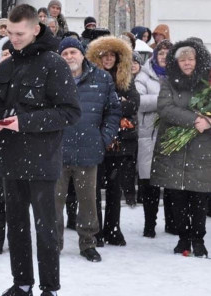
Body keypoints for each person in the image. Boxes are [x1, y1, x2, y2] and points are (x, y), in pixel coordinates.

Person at [0, 4, 81, 296]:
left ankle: (49, 287)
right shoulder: (7, 65)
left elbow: (69, 112)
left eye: (20, 33)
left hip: (42, 159)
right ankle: (22, 282)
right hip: (10, 158)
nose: (13, 39)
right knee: (17, 226)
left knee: (45, 229)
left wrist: (23, 123)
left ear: (35, 30)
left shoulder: (54, 64)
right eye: (10, 33)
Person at [56, 37, 121, 263]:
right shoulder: (53, 78)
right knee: (54, 202)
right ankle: (53, 244)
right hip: (57, 152)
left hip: (88, 150)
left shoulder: (101, 78)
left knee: (88, 202)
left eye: (73, 52)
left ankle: (88, 243)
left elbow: (113, 111)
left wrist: (103, 138)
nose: (69, 57)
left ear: (83, 54)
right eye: (64, 54)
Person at [151, 39, 211, 258]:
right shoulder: (169, 82)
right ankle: (183, 239)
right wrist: (194, 120)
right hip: (174, 150)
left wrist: (209, 122)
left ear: (198, 60)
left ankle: (199, 239)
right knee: (177, 196)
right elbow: (165, 108)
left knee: (199, 197)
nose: (187, 63)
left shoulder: (208, 81)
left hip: (202, 149)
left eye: (191, 59)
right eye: (182, 60)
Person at [87, 36, 139, 247]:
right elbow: (93, 107)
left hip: (120, 142)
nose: (108, 59)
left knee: (115, 188)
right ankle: (96, 229)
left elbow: (133, 104)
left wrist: (113, 107)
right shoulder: (92, 77)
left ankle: (113, 228)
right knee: (93, 188)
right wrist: (117, 105)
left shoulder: (125, 78)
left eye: (112, 55)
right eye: (104, 55)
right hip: (97, 140)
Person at [135, 40, 173, 238]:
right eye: (161, 53)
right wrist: (165, 103)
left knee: (172, 182)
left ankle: (173, 223)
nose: (164, 57)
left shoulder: (178, 76)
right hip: (148, 134)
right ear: (155, 55)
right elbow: (139, 101)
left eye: (168, 53)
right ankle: (150, 224)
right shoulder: (144, 75)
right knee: (150, 183)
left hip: (171, 135)